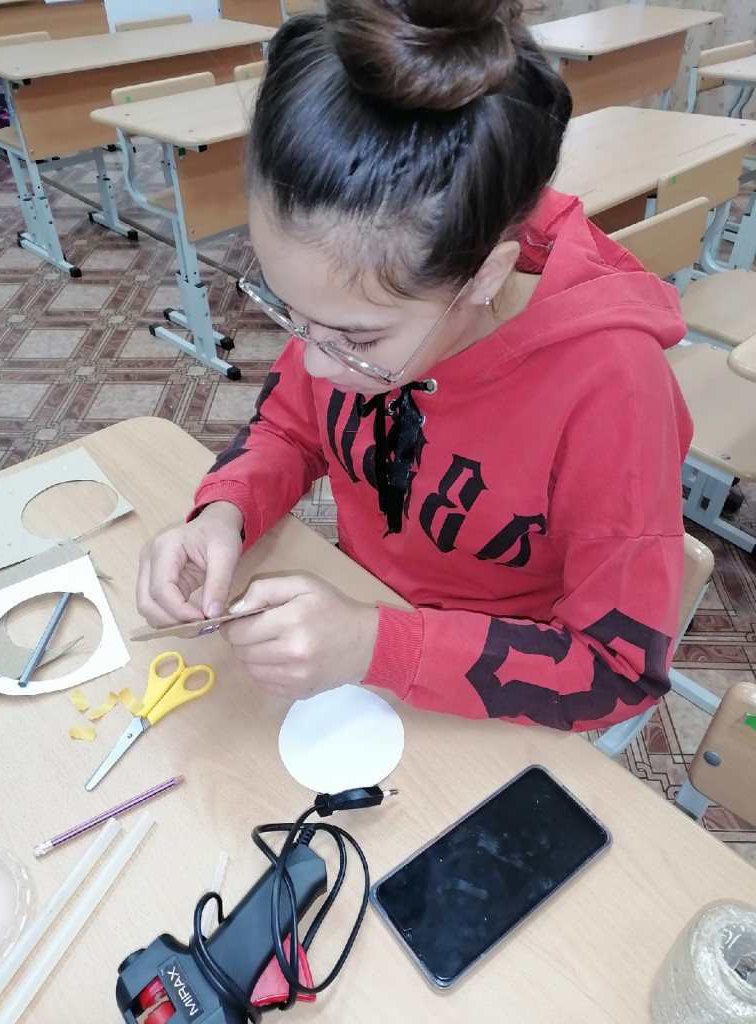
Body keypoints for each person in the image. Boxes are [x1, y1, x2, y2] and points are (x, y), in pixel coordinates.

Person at [137, 0, 692, 731]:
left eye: (357, 339)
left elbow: (616, 670)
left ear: (486, 276)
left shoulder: (612, 388)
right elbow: (290, 428)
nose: (316, 362)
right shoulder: (356, 307)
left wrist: (381, 645)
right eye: (291, 313)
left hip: (496, 698)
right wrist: (225, 512)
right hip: (361, 640)